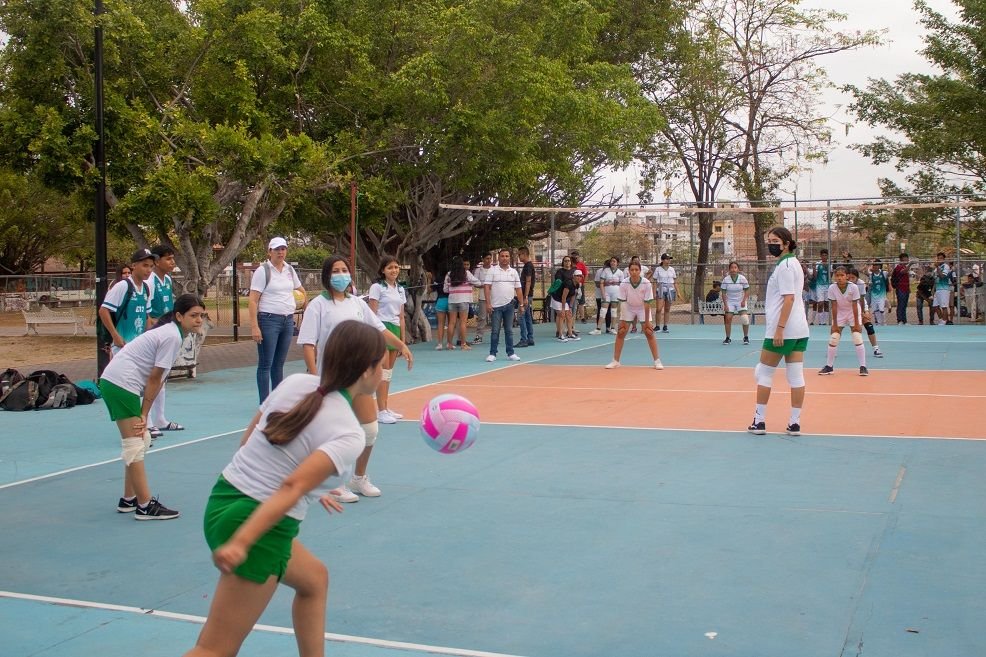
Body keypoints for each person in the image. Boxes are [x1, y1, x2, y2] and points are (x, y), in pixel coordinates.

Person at [181, 320, 384, 657]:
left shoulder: (296, 383)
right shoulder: (350, 433)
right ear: (367, 369)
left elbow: (251, 441)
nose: (385, 369)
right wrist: (243, 541)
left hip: (224, 499)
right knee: (214, 649)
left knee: (314, 579)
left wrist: (315, 488)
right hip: (257, 526)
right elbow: (292, 485)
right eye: (382, 362)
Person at [297, 256, 413, 503]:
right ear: (327, 276)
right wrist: (314, 377)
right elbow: (308, 344)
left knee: (370, 430)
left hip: (359, 378)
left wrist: (401, 345)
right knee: (335, 433)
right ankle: (334, 483)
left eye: (345, 270)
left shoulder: (357, 303)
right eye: (336, 271)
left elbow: (380, 329)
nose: (341, 275)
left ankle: (359, 477)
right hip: (331, 379)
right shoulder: (318, 305)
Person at [98, 294, 206, 520]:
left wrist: (144, 414)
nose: (199, 320)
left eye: (201, 316)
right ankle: (145, 506)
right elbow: (155, 378)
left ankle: (129, 499)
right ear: (179, 316)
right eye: (193, 315)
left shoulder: (173, 333)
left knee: (141, 441)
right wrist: (144, 415)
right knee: (135, 444)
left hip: (117, 382)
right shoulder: (172, 337)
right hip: (120, 384)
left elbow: (157, 378)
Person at [748, 226, 809, 436]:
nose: (771, 244)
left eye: (775, 241)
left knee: (763, 373)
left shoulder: (785, 266)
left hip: (784, 329)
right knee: (796, 376)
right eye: (769, 241)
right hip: (799, 328)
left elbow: (789, 298)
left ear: (786, 243)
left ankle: (759, 421)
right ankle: (794, 423)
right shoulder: (793, 263)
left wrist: (780, 329)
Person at [249, 237, 307, 402]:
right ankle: (265, 403)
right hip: (268, 320)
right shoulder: (263, 271)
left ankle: (277, 401)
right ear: (270, 252)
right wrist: (254, 327)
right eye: (277, 249)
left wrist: (305, 304)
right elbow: (253, 300)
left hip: (287, 321)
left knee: (279, 364)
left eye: (283, 249)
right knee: (266, 363)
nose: (280, 252)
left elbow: (301, 290)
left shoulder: (289, 270)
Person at [146, 244, 184, 435]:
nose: (172, 262)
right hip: (155, 335)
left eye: (172, 258)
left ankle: (160, 419)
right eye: (168, 258)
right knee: (151, 377)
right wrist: (155, 329)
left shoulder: (167, 280)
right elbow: (147, 313)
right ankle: (147, 421)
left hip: (167, 333)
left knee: (162, 377)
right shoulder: (150, 281)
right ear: (157, 261)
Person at [367, 256, 407, 425]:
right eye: (390, 267)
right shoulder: (377, 287)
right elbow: (372, 313)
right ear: (383, 270)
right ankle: (381, 410)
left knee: (388, 372)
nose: (394, 270)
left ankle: (385, 407)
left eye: (396, 267)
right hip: (381, 328)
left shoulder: (400, 289)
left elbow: (401, 316)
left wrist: (402, 340)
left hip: (395, 329)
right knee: (382, 371)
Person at [605, 261, 662, 369]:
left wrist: (647, 322)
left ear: (640, 271)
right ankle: (615, 361)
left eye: (636, 270)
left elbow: (647, 303)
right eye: (632, 270)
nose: (634, 272)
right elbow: (622, 302)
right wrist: (622, 320)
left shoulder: (646, 283)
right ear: (629, 271)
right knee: (621, 332)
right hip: (628, 307)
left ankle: (657, 361)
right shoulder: (624, 283)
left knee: (649, 332)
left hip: (642, 308)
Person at [818, 266, 868, 377]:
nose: (839, 278)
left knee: (857, 336)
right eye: (837, 275)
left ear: (847, 276)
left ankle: (863, 367)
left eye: (842, 275)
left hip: (853, 312)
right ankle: (829, 367)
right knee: (834, 337)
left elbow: (855, 305)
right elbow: (834, 306)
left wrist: (856, 323)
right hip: (840, 313)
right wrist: (835, 324)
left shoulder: (853, 287)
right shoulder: (832, 288)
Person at [484, 248, 524, 362]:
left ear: (510, 258)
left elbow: (518, 289)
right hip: (495, 306)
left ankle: (510, 353)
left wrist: (521, 304)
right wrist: (488, 303)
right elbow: (487, 287)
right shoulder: (492, 270)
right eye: (502, 256)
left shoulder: (513, 272)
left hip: (509, 306)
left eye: (507, 256)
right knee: (495, 331)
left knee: (509, 331)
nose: (504, 258)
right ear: (498, 257)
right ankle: (492, 353)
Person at [444, 256, 481, 351]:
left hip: (452, 300)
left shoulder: (449, 274)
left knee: (451, 323)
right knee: (463, 323)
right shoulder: (466, 273)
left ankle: (449, 344)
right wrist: (470, 283)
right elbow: (478, 283)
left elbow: (445, 290)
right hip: (464, 300)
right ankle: (463, 344)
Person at [848, 268, 884, 358]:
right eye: (849, 278)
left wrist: (863, 311)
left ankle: (876, 349)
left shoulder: (860, 283)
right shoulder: (844, 284)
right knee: (838, 329)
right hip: (848, 308)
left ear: (857, 278)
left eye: (853, 278)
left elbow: (861, 299)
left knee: (869, 326)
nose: (851, 280)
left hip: (861, 305)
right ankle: (833, 349)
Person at [720, 261, 751, 345]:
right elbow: (723, 293)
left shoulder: (742, 278)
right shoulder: (726, 280)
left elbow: (747, 290)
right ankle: (728, 338)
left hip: (740, 301)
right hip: (730, 301)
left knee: (745, 318)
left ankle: (746, 337)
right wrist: (725, 305)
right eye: (731, 268)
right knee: (728, 318)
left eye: (735, 267)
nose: (733, 269)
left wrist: (744, 300)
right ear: (729, 269)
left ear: (738, 269)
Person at [591, 257, 623, 335]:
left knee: (614, 311)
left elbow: (622, 284)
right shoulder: (605, 271)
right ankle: (598, 329)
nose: (612, 263)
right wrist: (603, 293)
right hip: (607, 293)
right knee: (603, 310)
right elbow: (601, 283)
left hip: (616, 293)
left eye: (614, 261)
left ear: (617, 263)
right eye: (611, 261)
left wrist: (621, 294)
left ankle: (613, 328)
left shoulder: (620, 272)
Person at [551, 255, 577, 342]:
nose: (567, 262)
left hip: (568, 296)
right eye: (565, 261)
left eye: (569, 260)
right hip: (558, 296)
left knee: (569, 314)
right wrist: (569, 282)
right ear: (563, 262)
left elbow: (574, 287)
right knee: (561, 315)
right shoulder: (560, 272)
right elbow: (560, 282)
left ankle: (570, 333)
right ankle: (559, 332)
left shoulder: (574, 271)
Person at [653, 253, 678, 333]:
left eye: (669, 259)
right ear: (662, 260)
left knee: (667, 309)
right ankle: (657, 326)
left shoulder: (672, 269)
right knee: (659, 309)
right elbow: (654, 281)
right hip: (660, 290)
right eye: (667, 259)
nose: (668, 260)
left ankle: (665, 326)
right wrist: (654, 292)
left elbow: (675, 281)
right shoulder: (658, 269)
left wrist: (678, 292)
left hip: (670, 290)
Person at [516, 246, 536, 347]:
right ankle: (530, 338)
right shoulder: (528, 266)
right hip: (527, 295)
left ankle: (524, 339)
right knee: (527, 316)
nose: (519, 257)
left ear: (524, 254)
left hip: (526, 295)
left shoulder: (528, 266)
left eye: (519, 254)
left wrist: (525, 296)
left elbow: (528, 281)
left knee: (521, 316)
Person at [472, 253, 493, 343]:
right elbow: (475, 282)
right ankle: (479, 336)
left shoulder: (494, 269)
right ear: (483, 259)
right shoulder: (478, 270)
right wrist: (485, 285)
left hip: (494, 297)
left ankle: (495, 336)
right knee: (482, 317)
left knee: (495, 317)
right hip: (482, 297)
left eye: (490, 258)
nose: (489, 260)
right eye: (487, 258)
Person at [866, 259, 891, 326]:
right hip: (874, 295)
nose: (875, 266)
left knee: (881, 309)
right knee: (875, 310)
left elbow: (890, 273)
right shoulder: (871, 274)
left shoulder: (883, 273)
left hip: (881, 295)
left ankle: (884, 322)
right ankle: (879, 323)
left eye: (876, 264)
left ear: (879, 266)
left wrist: (888, 265)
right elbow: (865, 272)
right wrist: (867, 264)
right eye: (874, 265)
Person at [431, 267, 450, 350]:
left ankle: (440, 344)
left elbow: (431, 289)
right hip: (451, 301)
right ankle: (449, 343)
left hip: (441, 300)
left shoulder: (438, 278)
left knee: (440, 324)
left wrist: (429, 280)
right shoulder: (451, 277)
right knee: (451, 324)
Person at [812, 248, 831, 326]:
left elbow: (830, 276)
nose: (824, 257)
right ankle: (820, 322)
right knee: (820, 303)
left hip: (827, 286)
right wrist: (814, 268)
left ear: (827, 256)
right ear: (820, 256)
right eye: (823, 255)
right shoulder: (818, 264)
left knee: (826, 303)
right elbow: (815, 276)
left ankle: (824, 322)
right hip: (819, 286)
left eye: (825, 255)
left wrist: (827, 267)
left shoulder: (829, 264)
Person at [890, 253, 911, 324]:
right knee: (901, 304)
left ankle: (904, 321)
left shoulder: (905, 267)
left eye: (907, 259)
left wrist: (909, 288)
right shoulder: (898, 267)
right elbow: (903, 271)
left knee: (904, 305)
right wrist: (910, 264)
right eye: (905, 260)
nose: (907, 261)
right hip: (900, 289)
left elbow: (906, 278)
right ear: (901, 260)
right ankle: (899, 320)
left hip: (906, 289)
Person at [932, 251, 952, 325]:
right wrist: (933, 289)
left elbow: (942, 276)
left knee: (944, 306)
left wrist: (937, 267)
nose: (939, 260)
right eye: (938, 258)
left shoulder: (945, 266)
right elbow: (935, 279)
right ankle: (941, 319)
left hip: (944, 289)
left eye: (941, 258)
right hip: (937, 289)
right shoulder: (936, 268)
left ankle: (944, 321)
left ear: (944, 259)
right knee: (935, 306)